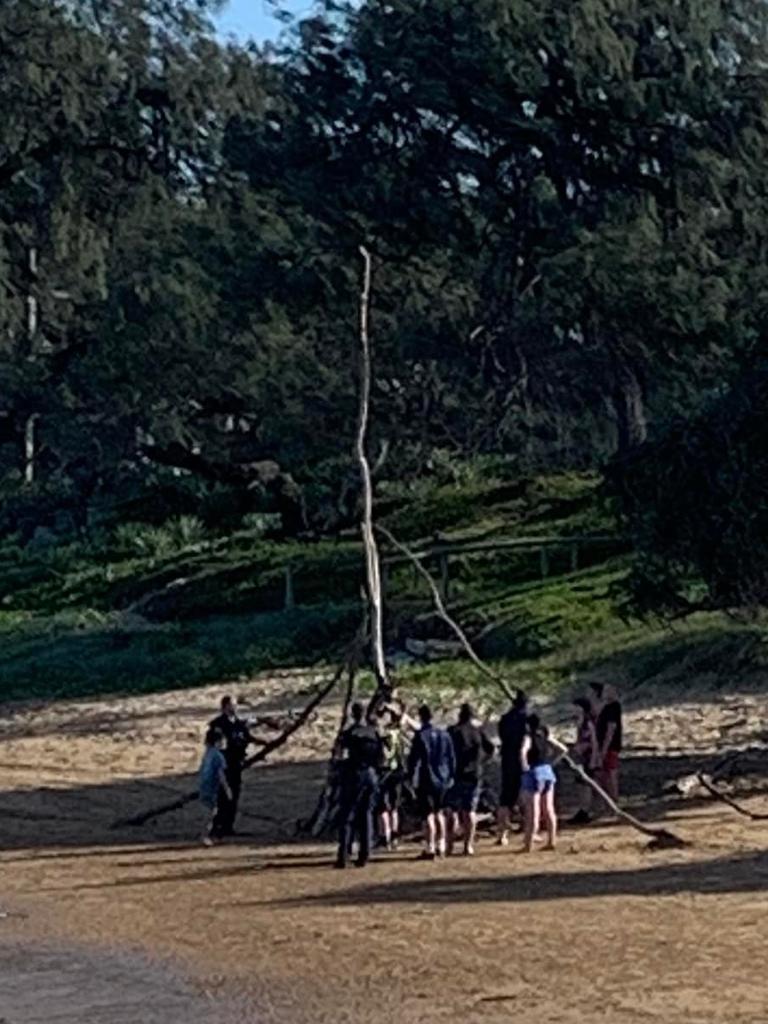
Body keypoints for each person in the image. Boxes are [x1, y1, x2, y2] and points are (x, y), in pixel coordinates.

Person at [335, 702, 383, 869]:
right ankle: (365, 854)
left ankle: (344, 855)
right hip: (370, 775)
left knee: (347, 815)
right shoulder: (373, 733)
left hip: (353, 775)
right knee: (366, 815)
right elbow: (381, 758)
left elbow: (339, 756)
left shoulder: (349, 734)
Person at [407, 704, 456, 860]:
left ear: (421, 717)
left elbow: (413, 760)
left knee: (427, 814)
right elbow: (451, 758)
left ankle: (430, 846)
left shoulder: (421, 735)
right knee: (439, 812)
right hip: (443, 778)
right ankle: (441, 844)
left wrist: (410, 777)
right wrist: (451, 776)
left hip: (427, 778)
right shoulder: (444, 735)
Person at [208, 695, 260, 837]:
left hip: (236, 764)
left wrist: (264, 743)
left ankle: (228, 826)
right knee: (224, 796)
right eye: (232, 705)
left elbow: (247, 737)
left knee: (234, 796)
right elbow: (213, 744)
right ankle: (217, 826)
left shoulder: (238, 724)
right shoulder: (218, 724)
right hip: (223, 766)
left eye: (235, 705)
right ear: (224, 706)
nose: (234, 708)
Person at [447, 703, 495, 856]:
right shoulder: (478, 732)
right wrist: (482, 762)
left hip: (455, 774)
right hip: (474, 774)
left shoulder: (453, 731)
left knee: (452, 811)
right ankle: (468, 845)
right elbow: (492, 749)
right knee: (470, 810)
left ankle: (449, 845)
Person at [520, 714, 558, 853]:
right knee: (549, 809)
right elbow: (561, 749)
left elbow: (523, 750)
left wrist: (524, 765)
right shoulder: (545, 734)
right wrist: (552, 762)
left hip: (534, 772)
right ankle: (552, 840)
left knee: (533, 811)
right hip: (547, 771)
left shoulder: (528, 737)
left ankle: (528, 844)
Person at [496, 689, 528, 846]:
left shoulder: (504, 719)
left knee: (506, 797)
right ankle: (528, 830)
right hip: (522, 760)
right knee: (526, 795)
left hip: (507, 759)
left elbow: (502, 736)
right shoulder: (525, 719)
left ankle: (502, 834)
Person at [377, 707, 406, 851]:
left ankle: (384, 837)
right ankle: (394, 837)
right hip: (397, 772)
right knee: (394, 807)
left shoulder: (381, 735)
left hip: (383, 773)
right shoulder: (398, 734)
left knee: (383, 807)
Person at [198, 726, 232, 847]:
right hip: (211, 787)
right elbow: (220, 774)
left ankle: (206, 835)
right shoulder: (218, 756)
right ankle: (204, 836)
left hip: (204, 786)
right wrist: (227, 789)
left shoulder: (207, 754)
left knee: (209, 812)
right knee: (210, 813)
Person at [568, 697, 600, 825]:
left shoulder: (589, 723)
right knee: (580, 784)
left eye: (576, 707)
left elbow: (594, 742)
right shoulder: (579, 722)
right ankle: (582, 809)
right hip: (580, 757)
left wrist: (594, 759)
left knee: (586, 785)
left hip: (588, 757)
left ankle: (586, 810)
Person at [595, 684, 623, 804]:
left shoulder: (613, 707)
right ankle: (609, 800)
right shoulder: (606, 708)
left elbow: (611, 728)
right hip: (606, 746)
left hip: (610, 746)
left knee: (611, 773)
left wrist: (604, 749)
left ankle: (614, 800)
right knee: (605, 773)